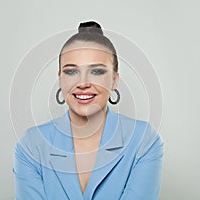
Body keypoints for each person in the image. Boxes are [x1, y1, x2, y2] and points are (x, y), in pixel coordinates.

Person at [13, 21, 164, 200]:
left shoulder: (143, 141)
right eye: (71, 72)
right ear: (60, 78)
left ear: (114, 80)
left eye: (97, 72)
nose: (83, 83)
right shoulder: (31, 145)